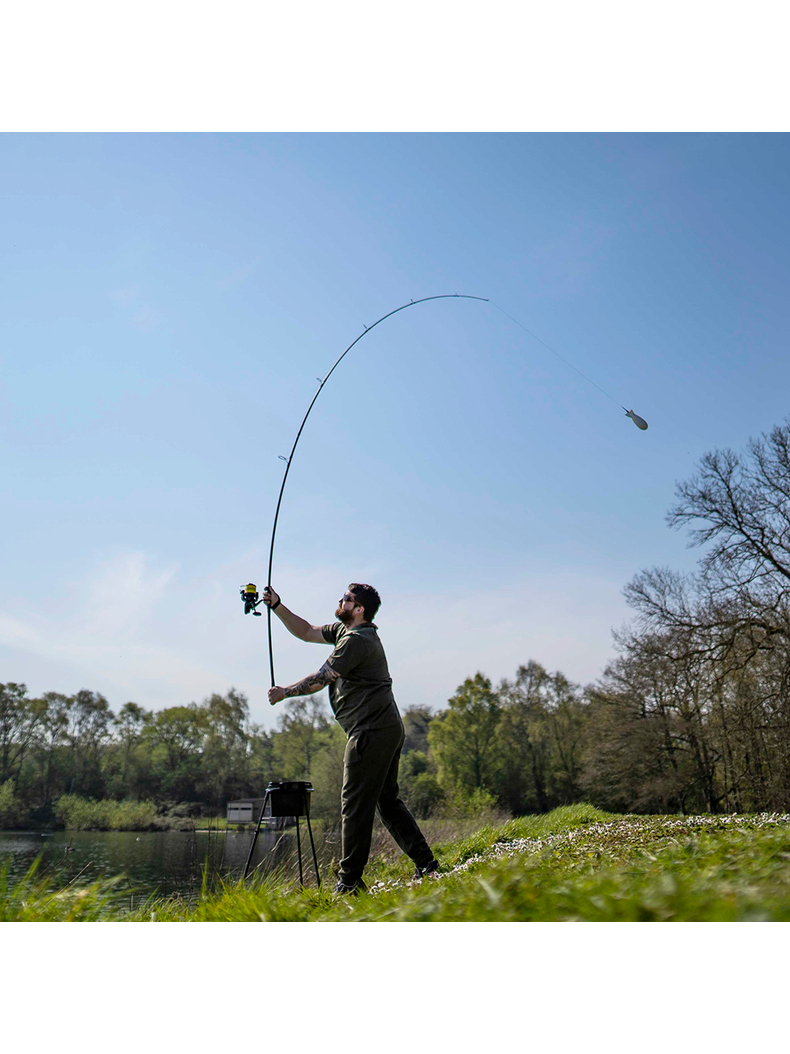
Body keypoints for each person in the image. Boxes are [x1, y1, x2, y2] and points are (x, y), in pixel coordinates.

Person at [263, 582, 439, 894]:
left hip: (371, 731)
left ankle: (349, 882)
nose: (340, 600)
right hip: (385, 728)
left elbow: (321, 679)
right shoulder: (345, 631)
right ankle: (426, 864)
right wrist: (277, 605)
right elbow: (305, 631)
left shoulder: (358, 640)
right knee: (387, 801)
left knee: (354, 806)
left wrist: (284, 693)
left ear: (359, 609)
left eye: (347, 599)